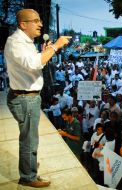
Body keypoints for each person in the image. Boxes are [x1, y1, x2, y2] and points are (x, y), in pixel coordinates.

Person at [5, 9, 71, 188]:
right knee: (29, 139)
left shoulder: (26, 42)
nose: (41, 24)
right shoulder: (15, 42)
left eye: (40, 20)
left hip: (28, 97)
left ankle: (29, 168)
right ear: (23, 24)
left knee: (31, 137)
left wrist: (46, 52)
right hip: (25, 99)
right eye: (35, 21)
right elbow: (35, 63)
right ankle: (27, 176)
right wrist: (56, 46)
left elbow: (34, 63)